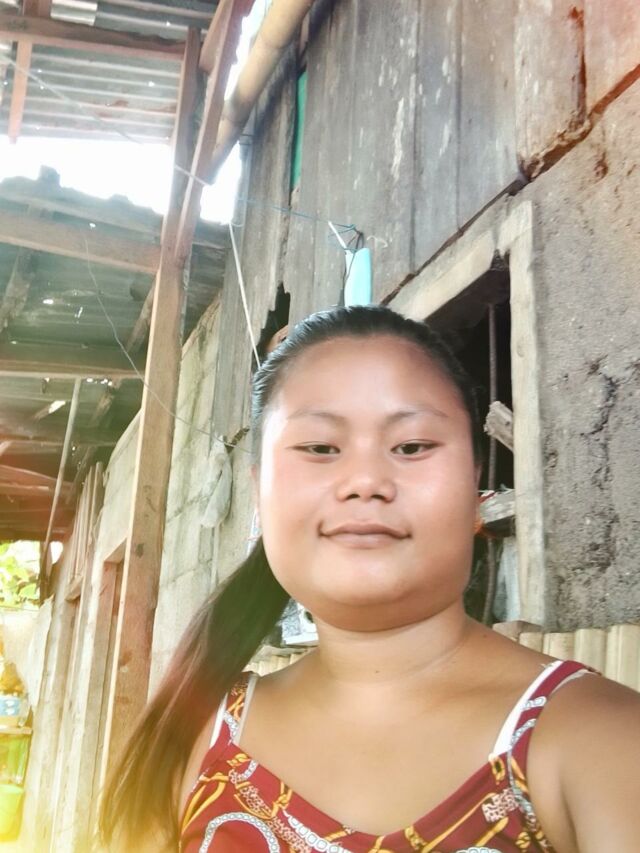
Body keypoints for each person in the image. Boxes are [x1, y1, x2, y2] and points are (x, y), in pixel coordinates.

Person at [99, 305, 640, 852]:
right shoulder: (195, 738)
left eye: (412, 446)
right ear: (260, 491)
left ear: (474, 483)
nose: (364, 481)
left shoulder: (599, 741)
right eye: (319, 448)